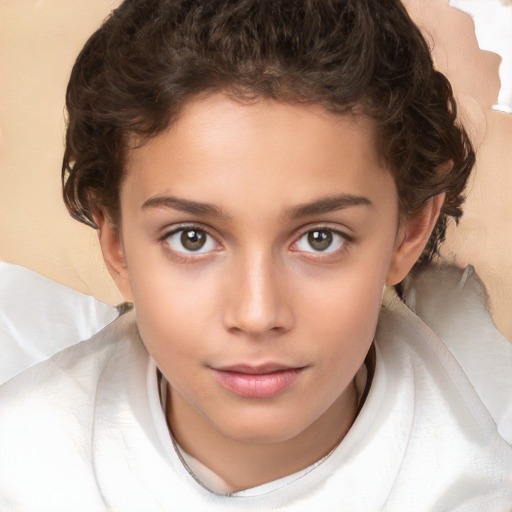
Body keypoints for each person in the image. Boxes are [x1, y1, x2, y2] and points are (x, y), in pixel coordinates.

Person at [0, 0, 511, 510]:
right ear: (116, 243)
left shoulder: (480, 484)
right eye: (192, 238)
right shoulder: (21, 469)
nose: (256, 313)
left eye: (320, 239)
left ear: (409, 231)